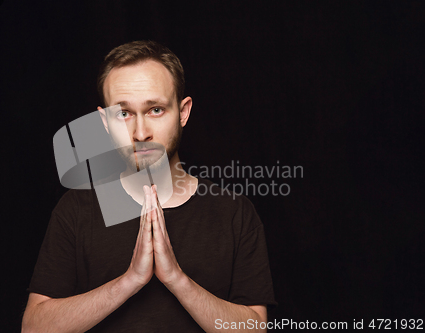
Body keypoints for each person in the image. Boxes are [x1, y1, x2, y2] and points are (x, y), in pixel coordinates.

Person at [22, 40, 276, 333]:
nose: (140, 133)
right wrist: (130, 280)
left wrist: (177, 280)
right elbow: (33, 328)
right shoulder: (76, 209)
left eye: (155, 109)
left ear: (183, 112)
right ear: (105, 122)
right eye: (123, 113)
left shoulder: (234, 212)